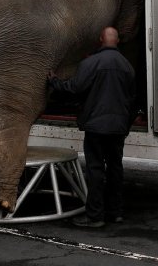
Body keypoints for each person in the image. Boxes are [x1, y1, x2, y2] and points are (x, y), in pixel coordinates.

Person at [48, 26, 136, 228]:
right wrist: (126, 124)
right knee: (115, 169)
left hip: (96, 127)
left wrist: (53, 81)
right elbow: (133, 100)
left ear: (100, 39)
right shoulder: (127, 66)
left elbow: (74, 87)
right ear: (117, 41)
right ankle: (116, 212)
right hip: (118, 128)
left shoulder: (91, 63)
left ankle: (95, 216)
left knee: (96, 170)